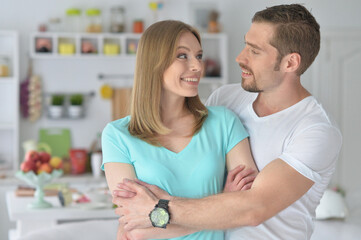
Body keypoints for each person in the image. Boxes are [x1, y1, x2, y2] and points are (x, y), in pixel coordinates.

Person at [112, 4, 343, 240]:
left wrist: (160, 208)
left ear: (290, 63)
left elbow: (253, 208)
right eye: (245, 44)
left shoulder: (317, 130)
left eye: (254, 51)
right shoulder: (226, 99)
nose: (240, 57)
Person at [101, 20, 258, 240]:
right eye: (182, 56)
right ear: (154, 62)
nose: (197, 66)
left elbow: (248, 208)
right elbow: (136, 231)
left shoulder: (225, 123)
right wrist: (222, 203)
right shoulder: (117, 136)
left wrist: (160, 211)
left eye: (199, 56)